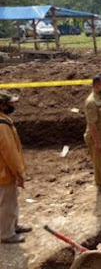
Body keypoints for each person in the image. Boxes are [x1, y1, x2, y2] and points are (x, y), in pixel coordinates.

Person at [0, 91, 32, 243]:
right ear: (2, 106)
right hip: (4, 172)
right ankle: (6, 234)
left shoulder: (4, 120)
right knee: (7, 203)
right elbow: (9, 153)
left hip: (5, 171)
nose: (13, 104)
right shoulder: (2, 126)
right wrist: (18, 172)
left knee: (12, 200)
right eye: (10, 102)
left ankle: (13, 225)